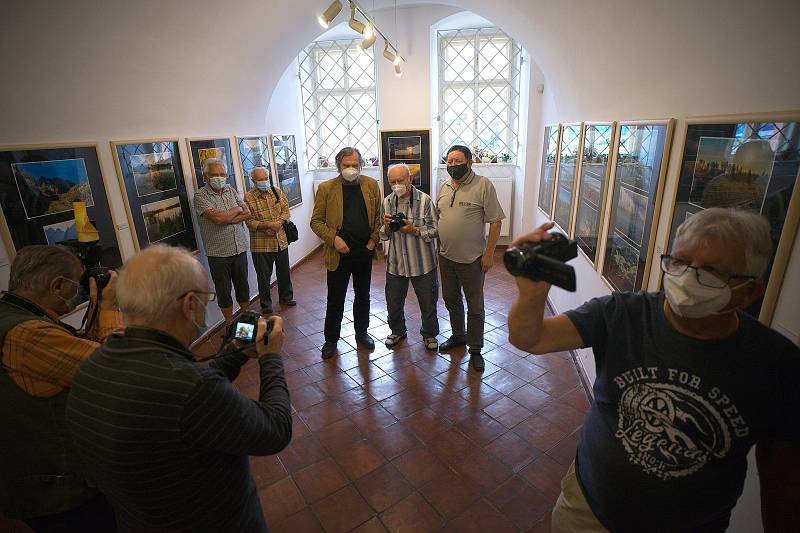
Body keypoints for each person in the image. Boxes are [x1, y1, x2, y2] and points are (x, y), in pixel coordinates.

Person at [507, 208, 800, 533]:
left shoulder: (778, 364)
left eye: (712, 272)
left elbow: (782, 480)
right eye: (679, 261)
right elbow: (530, 338)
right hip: (588, 513)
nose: (688, 278)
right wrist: (531, 296)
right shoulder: (621, 314)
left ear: (749, 292)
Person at [66, 245, 292, 533]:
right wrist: (271, 356)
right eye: (204, 298)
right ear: (189, 305)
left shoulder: (93, 365)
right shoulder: (191, 388)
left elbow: (177, 398)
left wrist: (235, 354)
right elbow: (275, 430)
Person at [0, 245, 121, 532]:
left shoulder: (11, 314)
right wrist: (110, 307)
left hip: (33, 479)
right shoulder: (27, 335)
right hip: (59, 489)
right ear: (56, 285)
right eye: (77, 283)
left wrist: (95, 305)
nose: (79, 289)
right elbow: (116, 372)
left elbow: (77, 353)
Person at [436, 145, 505, 372]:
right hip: (446, 257)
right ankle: (458, 335)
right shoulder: (443, 187)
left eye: (458, 160)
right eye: (450, 161)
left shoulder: (483, 185)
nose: (453, 165)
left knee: (475, 306)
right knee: (450, 299)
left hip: (473, 260)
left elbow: (495, 222)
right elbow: (439, 218)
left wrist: (489, 255)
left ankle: (475, 349)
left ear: (470, 161)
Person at [310, 147, 381, 360]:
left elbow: (378, 217)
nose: (351, 169)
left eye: (355, 165)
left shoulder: (371, 185)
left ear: (361, 165)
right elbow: (316, 222)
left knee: (363, 295)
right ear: (338, 166)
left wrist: (372, 242)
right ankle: (331, 339)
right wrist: (334, 239)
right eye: (346, 165)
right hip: (338, 253)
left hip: (363, 251)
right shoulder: (326, 188)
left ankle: (362, 332)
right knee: (335, 298)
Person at [379, 163, 440, 351]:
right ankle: (397, 330)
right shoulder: (387, 202)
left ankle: (429, 334)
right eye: (392, 181)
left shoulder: (425, 201)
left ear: (410, 179)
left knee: (428, 302)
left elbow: (436, 230)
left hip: (423, 263)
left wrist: (414, 230)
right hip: (396, 263)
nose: (397, 184)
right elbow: (382, 234)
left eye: (400, 180)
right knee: (393, 301)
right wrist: (387, 227)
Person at [193, 157, 252, 326]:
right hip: (218, 253)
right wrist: (236, 210)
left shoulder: (230, 190)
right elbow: (218, 219)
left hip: (239, 247)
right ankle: (229, 324)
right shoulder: (200, 196)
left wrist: (230, 218)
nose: (219, 178)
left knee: (243, 287)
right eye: (214, 175)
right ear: (205, 177)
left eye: (222, 174)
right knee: (224, 291)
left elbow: (248, 213)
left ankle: (246, 318)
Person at [244, 166, 296, 315]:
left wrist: (278, 223)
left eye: (266, 178)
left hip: (280, 240)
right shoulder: (248, 197)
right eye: (260, 179)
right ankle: (266, 304)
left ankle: (286, 297)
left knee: (284, 272)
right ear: (253, 181)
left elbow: (286, 210)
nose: (264, 181)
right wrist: (266, 225)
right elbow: (249, 221)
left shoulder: (276, 191)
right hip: (261, 245)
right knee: (263, 276)